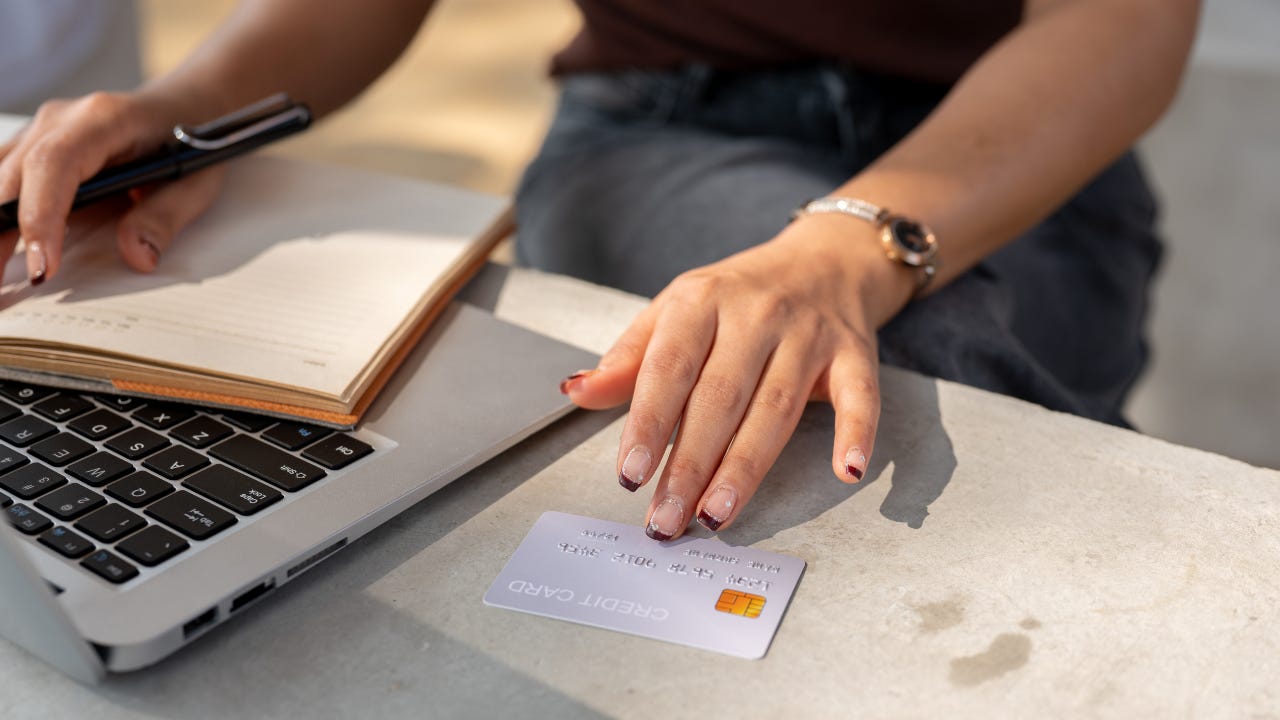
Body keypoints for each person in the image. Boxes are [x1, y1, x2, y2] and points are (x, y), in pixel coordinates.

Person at [0, 0, 1200, 541]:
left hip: (1015, 130)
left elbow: (1123, 23)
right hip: (658, 120)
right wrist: (188, 112)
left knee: (951, 418)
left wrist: (846, 246)